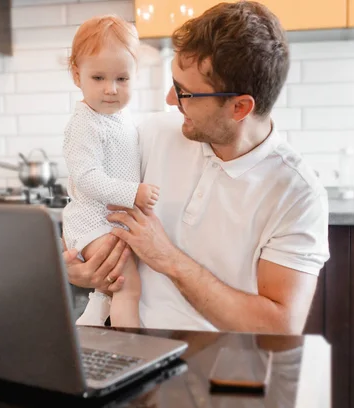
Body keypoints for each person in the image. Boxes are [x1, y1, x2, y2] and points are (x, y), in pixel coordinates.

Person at [63, 1, 329, 334]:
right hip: (115, 339)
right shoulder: (150, 133)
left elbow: (280, 325)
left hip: (213, 361)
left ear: (239, 107)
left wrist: (170, 259)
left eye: (185, 93)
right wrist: (75, 266)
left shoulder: (296, 193)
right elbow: (85, 203)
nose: (170, 101)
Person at [61, 14, 159, 327]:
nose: (111, 89)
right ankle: (128, 351)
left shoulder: (122, 118)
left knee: (108, 288)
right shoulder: (85, 123)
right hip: (91, 222)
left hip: (108, 221)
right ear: (77, 76)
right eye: (98, 78)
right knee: (128, 287)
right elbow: (87, 178)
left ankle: (90, 328)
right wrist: (134, 193)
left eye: (122, 79)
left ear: (135, 75)